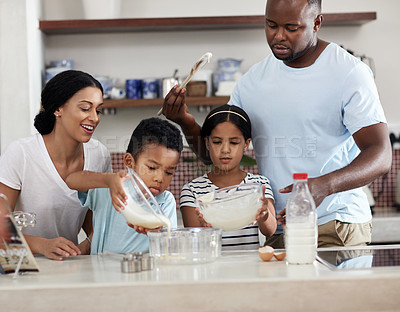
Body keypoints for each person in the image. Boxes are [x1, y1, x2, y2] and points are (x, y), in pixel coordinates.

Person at [160, 0, 392, 248]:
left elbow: (380, 154)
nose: (278, 36)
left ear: (316, 23)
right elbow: (213, 154)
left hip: (333, 223)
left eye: (292, 28)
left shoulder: (348, 72)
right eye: (271, 25)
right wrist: (184, 120)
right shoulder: (252, 82)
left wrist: (325, 185)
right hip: (279, 229)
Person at [0, 70, 112, 260]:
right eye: (85, 108)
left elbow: (97, 221)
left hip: (67, 266)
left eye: (98, 110)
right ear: (57, 109)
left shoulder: (99, 155)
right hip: (22, 266)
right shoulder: (21, 153)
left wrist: (86, 246)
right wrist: (42, 245)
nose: (95, 118)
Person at [65, 117, 182, 254]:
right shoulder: (109, 189)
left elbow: (169, 246)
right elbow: (71, 180)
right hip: (102, 271)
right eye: (151, 168)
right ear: (129, 162)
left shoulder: (165, 202)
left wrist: (157, 234)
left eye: (168, 172)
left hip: (143, 272)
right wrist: (108, 180)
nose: (160, 178)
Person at [180, 105, 276, 250]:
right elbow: (194, 241)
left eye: (234, 142)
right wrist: (202, 227)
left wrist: (264, 215)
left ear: (246, 144)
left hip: (250, 269)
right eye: (217, 142)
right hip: (211, 269)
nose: (225, 149)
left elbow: (270, 230)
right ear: (207, 143)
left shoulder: (258, 184)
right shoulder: (192, 190)